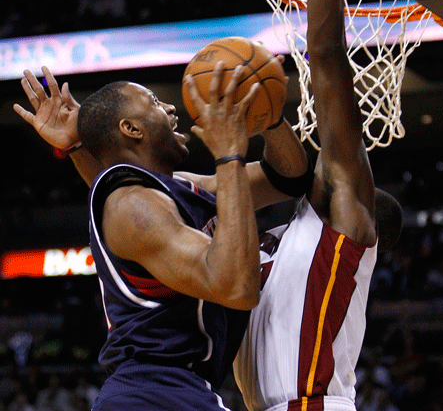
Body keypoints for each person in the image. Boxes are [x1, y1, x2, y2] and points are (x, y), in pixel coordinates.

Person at [14, 62, 310, 411]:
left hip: (174, 390)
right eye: (155, 101)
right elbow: (237, 287)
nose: (171, 107)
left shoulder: (171, 189)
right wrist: (229, 154)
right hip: (153, 394)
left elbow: (289, 177)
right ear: (131, 129)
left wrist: (270, 117)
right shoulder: (134, 207)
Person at [232, 0, 402, 411]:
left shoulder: (348, 230)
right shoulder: (279, 244)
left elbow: (328, 58)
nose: (331, 153)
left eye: (340, 160)